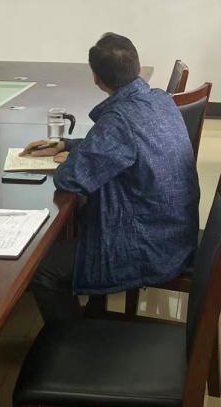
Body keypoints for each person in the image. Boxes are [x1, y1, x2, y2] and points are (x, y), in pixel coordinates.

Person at [23, 33, 199, 322]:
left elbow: (69, 179)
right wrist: (68, 145)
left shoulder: (118, 121)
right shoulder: (160, 99)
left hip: (148, 245)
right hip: (175, 231)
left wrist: (73, 158)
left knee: (40, 269)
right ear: (138, 66)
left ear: (97, 79)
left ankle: (70, 341)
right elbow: (121, 144)